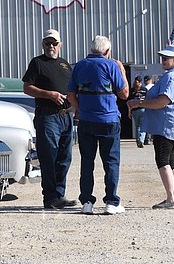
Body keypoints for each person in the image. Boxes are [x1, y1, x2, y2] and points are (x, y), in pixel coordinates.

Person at [67, 35, 129, 215]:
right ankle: (111, 201)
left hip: (87, 120)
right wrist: (122, 72)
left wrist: (81, 109)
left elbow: (71, 94)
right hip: (109, 120)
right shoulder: (111, 65)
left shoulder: (79, 65)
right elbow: (124, 94)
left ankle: (87, 201)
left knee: (87, 162)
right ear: (107, 51)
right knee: (111, 162)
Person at [127, 45, 174, 209]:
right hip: (171, 123)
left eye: (167, 57)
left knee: (162, 160)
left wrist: (138, 103)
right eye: (162, 57)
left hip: (165, 124)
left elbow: (162, 101)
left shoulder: (172, 78)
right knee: (170, 161)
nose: (163, 60)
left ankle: (171, 199)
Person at [22, 28, 75, 209]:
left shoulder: (65, 65)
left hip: (66, 116)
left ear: (60, 45)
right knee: (49, 157)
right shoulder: (37, 63)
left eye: (54, 43)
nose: (50, 46)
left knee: (64, 158)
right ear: (42, 44)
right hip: (48, 117)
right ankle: (50, 197)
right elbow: (27, 88)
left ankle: (59, 195)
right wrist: (49, 94)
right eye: (47, 43)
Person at [128, 78, 148, 147]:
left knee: (137, 126)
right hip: (143, 109)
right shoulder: (144, 90)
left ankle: (138, 140)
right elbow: (148, 99)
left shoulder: (132, 90)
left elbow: (129, 102)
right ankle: (141, 140)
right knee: (143, 125)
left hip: (135, 110)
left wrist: (129, 112)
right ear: (141, 82)